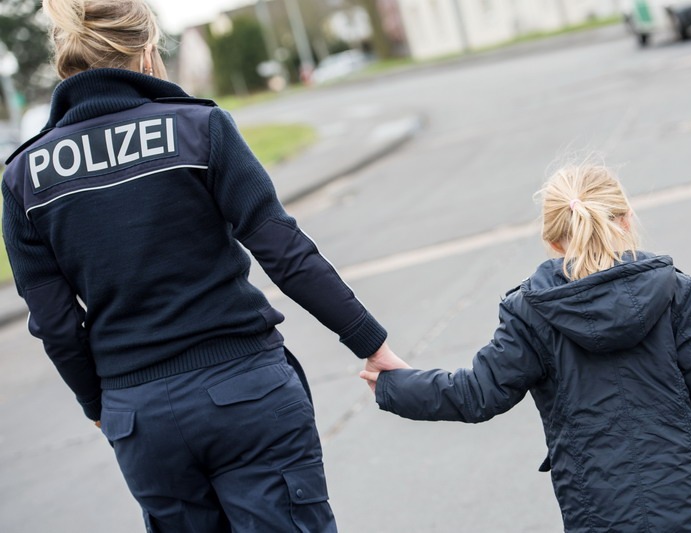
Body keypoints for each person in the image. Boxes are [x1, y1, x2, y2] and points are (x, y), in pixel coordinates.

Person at [1, 0, 408, 531]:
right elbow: (285, 253)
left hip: (139, 417)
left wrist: (102, 406)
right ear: (147, 54)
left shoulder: (24, 177)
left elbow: (54, 322)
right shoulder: (199, 128)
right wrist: (373, 347)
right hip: (247, 395)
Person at [361, 163, 691, 531]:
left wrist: (395, 384)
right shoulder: (674, 290)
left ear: (553, 241)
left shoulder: (531, 312)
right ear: (625, 219)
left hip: (601, 512)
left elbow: (476, 395)